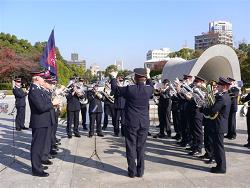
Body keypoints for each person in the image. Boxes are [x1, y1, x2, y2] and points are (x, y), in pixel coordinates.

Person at [110, 67, 153, 178]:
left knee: (131, 146)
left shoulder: (130, 89)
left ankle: (132, 171)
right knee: (141, 147)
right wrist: (148, 75)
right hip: (144, 122)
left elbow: (115, 90)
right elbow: (151, 85)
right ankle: (140, 171)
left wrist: (114, 77)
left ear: (135, 77)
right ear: (144, 78)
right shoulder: (149, 90)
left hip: (131, 121)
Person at [28, 71, 59, 177]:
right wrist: (53, 103)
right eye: (42, 78)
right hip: (39, 122)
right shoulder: (33, 90)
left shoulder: (38, 89)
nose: (44, 80)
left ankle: (39, 165)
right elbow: (41, 107)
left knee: (41, 146)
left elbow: (45, 104)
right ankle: (36, 169)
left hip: (44, 121)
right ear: (37, 78)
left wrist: (52, 104)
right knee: (37, 147)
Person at [203, 77, 231, 173]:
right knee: (218, 146)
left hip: (218, 125)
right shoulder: (224, 96)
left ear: (224, 87)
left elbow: (213, 110)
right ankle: (219, 165)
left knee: (219, 147)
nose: (217, 87)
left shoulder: (222, 97)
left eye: (219, 85)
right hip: (219, 124)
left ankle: (221, 167)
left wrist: (203, 109)